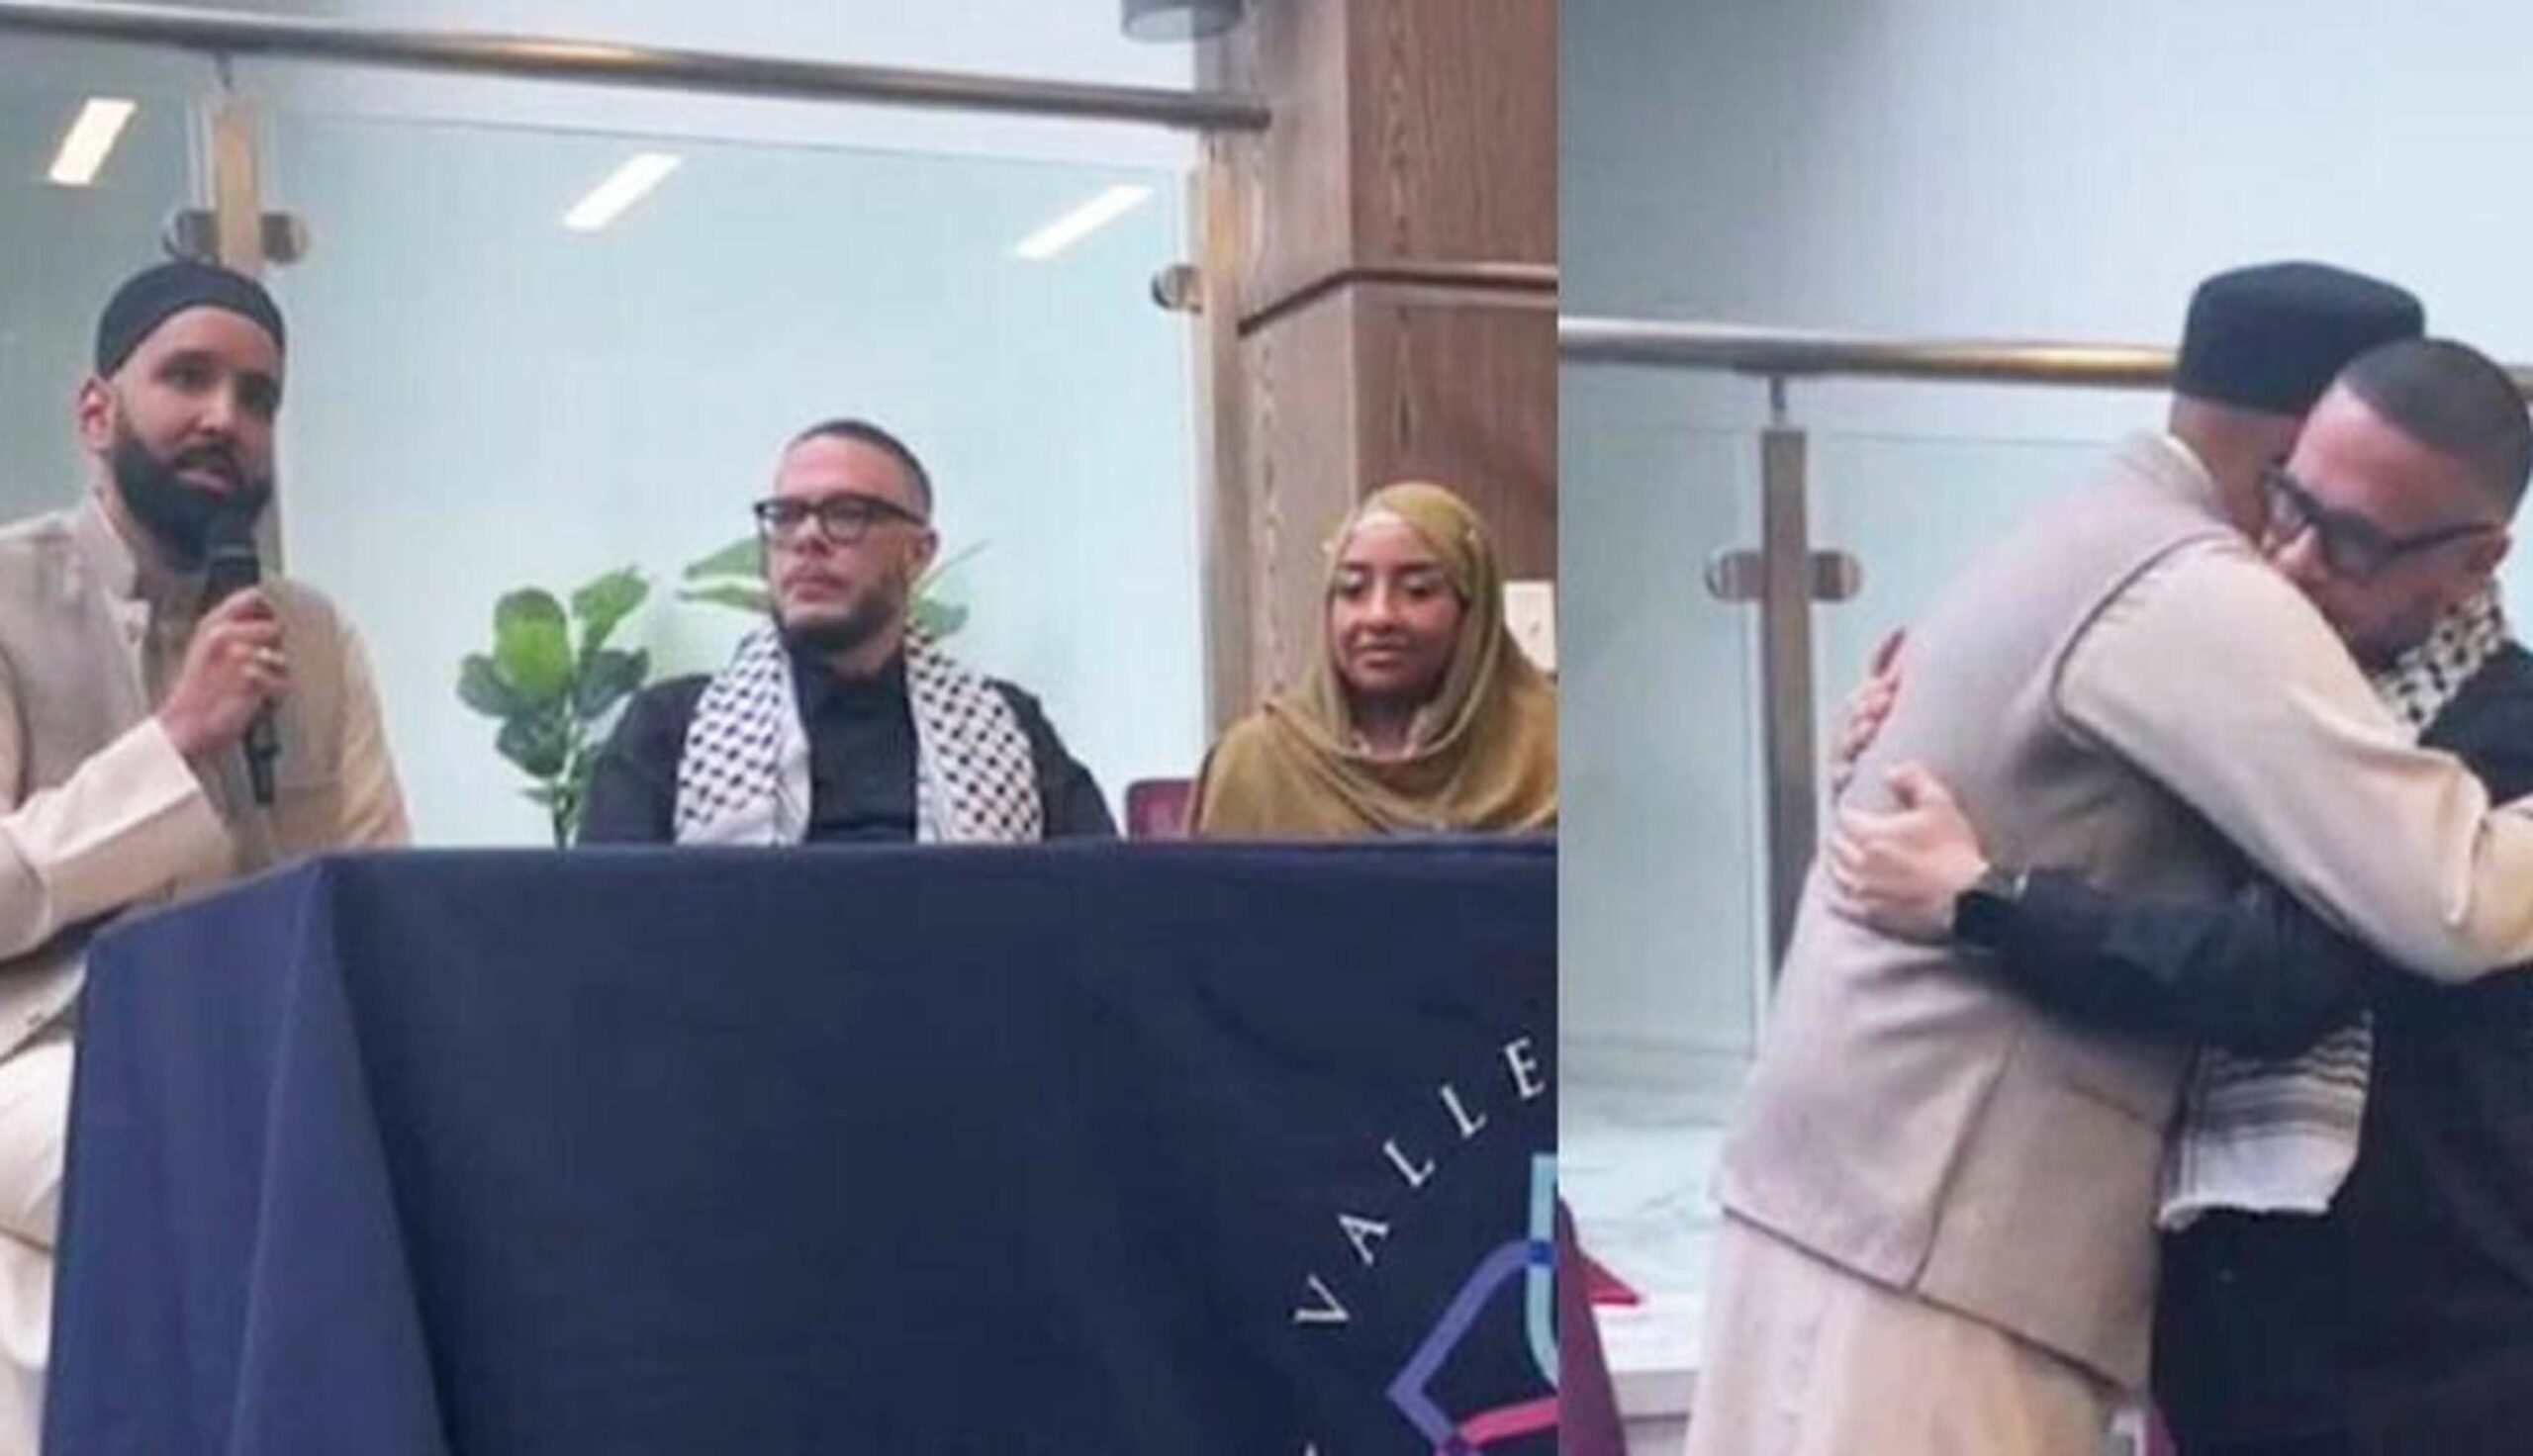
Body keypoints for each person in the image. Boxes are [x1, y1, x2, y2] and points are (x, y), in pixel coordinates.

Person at [1686, 264, 2533, 1456]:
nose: (2297, 561)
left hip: (2412, 1341)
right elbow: (2446, 890)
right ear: (2292, 445)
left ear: (2474, 556)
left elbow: (2311, 955)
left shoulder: (2097, 538)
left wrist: (1984, 896)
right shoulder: (2191, 586)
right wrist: (1977, 892)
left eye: (2348, 537)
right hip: (1939, 1233)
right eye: (2293, 505)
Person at [0, 258, 410, 1443]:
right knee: (231, 1173)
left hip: (265, 1053)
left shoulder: (310, 634)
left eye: (258, 396)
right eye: (187, 377)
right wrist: (177, 741)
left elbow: (376, 886)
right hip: (41, 1041)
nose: (225, 417)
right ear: (97, 411)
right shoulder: (8, 596)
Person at [579, 418, 1113, 845]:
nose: (808, 537)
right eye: (787, 515)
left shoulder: (1007, 729)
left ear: (918, 554)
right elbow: (608, 926)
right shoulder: (668, 730)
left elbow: (1104, 909)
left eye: (848, 513)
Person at [1188, 481, 1555, 837]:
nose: (1379, 616)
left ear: (1473, 613)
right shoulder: (1257, 762)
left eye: (1417, 591)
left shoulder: (1555, 751)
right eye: (1352, 590)